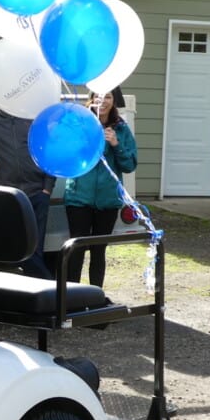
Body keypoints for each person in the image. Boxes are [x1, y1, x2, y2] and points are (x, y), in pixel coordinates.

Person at [65, 87, 138, 287]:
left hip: (107, 201)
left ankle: (95, 297)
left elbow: (130, 165)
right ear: (91, 99)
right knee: (76, 249)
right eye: (98, 96)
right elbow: (67, 155)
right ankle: (70, 298)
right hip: (79, 198)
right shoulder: (80, 124)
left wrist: (116, 144)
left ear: (113, 101)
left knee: (98, 251)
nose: (102, 101)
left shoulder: (121, 129)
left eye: (108, 97)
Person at [0, 107, 56, 279]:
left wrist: (47, 189)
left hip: (37, 193)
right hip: (9, 195)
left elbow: (50, 153)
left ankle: (50, 294)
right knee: (18, 250)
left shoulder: (34, 119)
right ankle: (53, 291)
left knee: (35, 252)